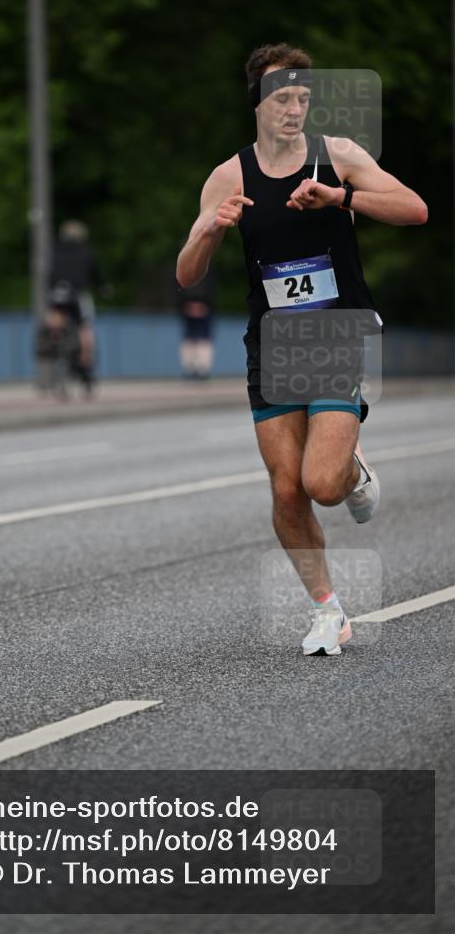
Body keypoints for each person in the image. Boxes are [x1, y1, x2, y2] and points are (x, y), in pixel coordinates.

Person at [176, 43, 428, 656]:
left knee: (321, 483)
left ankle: (352, 466)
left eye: (302, 99)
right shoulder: (228, 176)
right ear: (257, 105)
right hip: (272, 344)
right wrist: (210, 229)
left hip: (335, 334)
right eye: (281, 98)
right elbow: (187, 273)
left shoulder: (336, 157)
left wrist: (341, 199)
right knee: (286, 490)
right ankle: (328, 611)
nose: (294, 109)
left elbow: (414, 209)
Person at [49, 221, 104, 393]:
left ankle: (57, 349)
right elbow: (96, 275)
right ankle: (85, 360)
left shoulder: (55, 251)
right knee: (85, 327)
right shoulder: (86, 252)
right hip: (78, 295)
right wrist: (102, 287)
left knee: (57, 321)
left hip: (58, 295)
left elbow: (49, 276)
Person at [176, 267, 217, 380]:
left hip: (205, 306)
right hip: (186, 305)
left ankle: (203, 369)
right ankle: (189, 368)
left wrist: (203, 304)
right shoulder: (182, 263)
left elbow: (211, 286)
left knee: (204, 338)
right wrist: (185, 304)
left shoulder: (209, 266)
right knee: (189, 338)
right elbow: (177, 284)